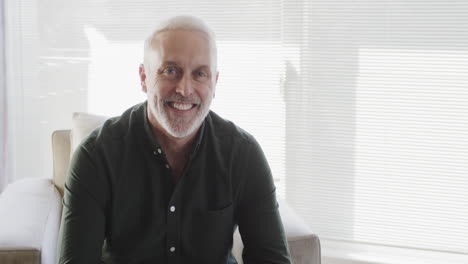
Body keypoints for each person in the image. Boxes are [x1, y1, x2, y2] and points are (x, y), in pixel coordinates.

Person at [57, 15, 292, 264]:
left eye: (200, 74)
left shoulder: (243, 154)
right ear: (143, 78)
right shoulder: (96, 156)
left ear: (215, 82)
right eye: (171, 71)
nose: (185, 89)